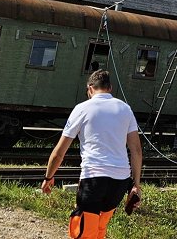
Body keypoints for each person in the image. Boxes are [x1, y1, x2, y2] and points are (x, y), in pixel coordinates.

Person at [43, 70, 142, 239]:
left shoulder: (82, 108)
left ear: (89, 89)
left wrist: (48, 177)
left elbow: (60, 152)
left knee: (83, 231)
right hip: (120, 182)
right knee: (100, 228)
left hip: (93, 179)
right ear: (109, 88)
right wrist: (136, 185)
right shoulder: (125, 109)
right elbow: (136, 151)